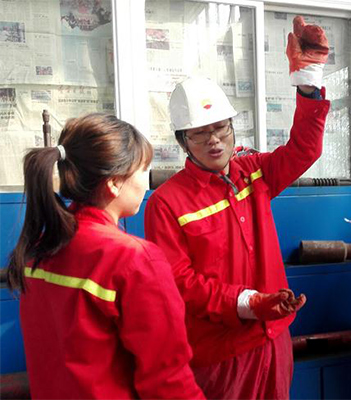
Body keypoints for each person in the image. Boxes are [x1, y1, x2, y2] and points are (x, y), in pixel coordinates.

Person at [144, 16, 330, 399]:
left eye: (221, 128)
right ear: (182, 142)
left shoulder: (254, 173)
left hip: (273, 340)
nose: (214, 141)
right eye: (200, 133)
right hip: (220, 354)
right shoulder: (166, 203)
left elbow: (304, 149)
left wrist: (308, 84)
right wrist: (248, 303)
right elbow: (181, 284)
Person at [6, 113, 203, 400]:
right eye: (143, 170)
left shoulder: (40, 247)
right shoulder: (135, 260)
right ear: (114, 183)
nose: (146, 182)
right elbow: (168, 383)